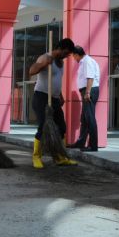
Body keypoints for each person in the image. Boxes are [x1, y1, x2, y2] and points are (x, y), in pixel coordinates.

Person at [28, 38, 78, 168]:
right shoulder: (45, 57)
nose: (67, 56)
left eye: (69, 54)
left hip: (54, 98)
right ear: (60, 48)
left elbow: (55, 80)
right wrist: (43, 64)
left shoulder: (61, 62)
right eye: (66, 53)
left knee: (61, 127)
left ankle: (60, 157)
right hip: (41, 97)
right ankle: (36, 157)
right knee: (43, 126)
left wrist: (60, 95)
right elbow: (31, 71)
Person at [68, 46, 100, 151]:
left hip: (89, 90)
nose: (74, 58)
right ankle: (81, 142)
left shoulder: (87, 61)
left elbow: (90, 77)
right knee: (85, 118)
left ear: (77, 54)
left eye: (73, 56)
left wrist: (87, 92)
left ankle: (93, 145)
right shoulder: (85, 62)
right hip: (88, 90)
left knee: (90, 118)